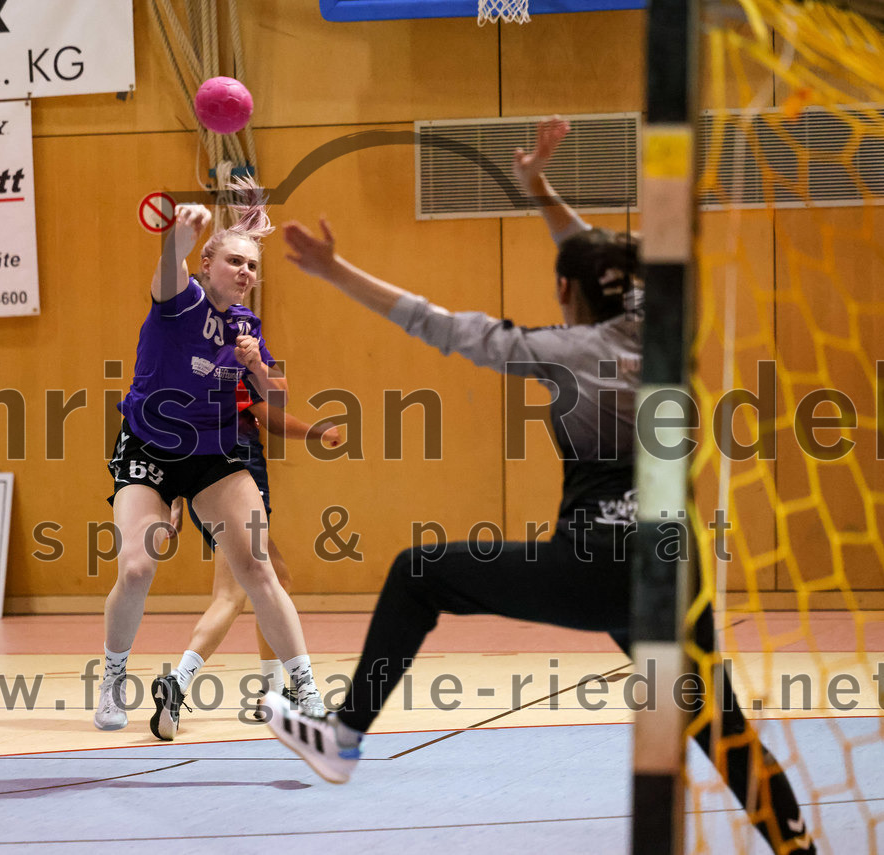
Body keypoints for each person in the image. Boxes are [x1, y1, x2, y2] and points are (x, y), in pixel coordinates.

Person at [261, 118, 816, 855]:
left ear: (563, 289)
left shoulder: (561, 350)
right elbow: (601, 263)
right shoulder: (661, 326)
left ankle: (345, 735)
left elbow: (439, 324)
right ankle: (798, 849)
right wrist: (543, 193)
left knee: (417, 573)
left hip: (596, 565)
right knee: (717, 723)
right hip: (676, 570)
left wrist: (336, 271)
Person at [95, 178, 324, 735]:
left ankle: (308, 691)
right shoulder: (180, 302)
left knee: (257, 569)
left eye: (252, 265)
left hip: (215, 453)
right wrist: (179, 234)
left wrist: (256, 369)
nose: (245, 272)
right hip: (149, 446)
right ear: (208, 263)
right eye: (235, 261)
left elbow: (274, 401)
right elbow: (167, 267)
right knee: (137, 564)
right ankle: (112, 677)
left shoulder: (249, 327)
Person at [149, 384, 341, 740]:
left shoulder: (197, 372)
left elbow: (179, 442)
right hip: (235, 485)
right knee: (231, 595)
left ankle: (273, 691)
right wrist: (320, 431)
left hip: (212, 485)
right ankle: (178, 681)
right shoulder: (233, 367)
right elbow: (271, 419)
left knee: (276, 581)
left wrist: (176, 502)